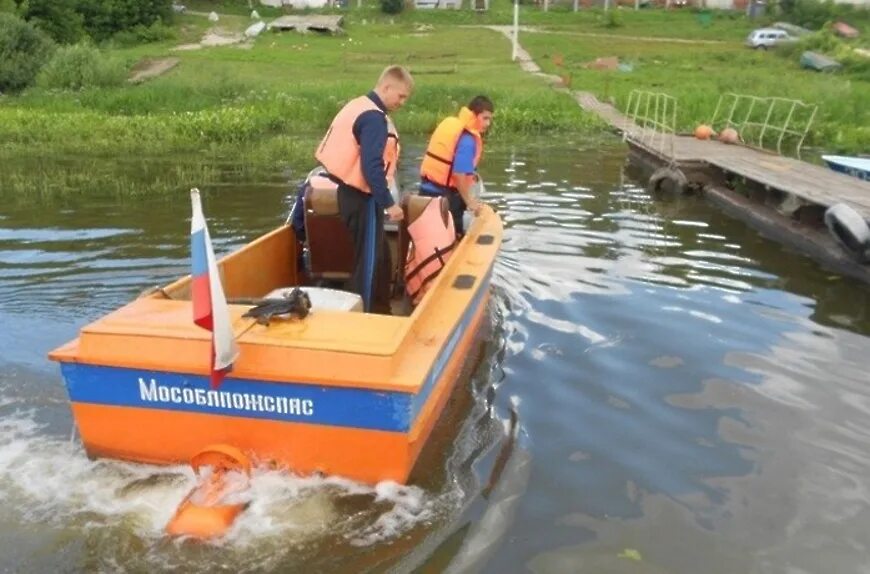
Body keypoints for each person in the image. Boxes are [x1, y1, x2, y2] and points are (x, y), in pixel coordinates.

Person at [314, 65, 413, 314]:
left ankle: (379, 308)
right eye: (401, 96)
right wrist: (388, 203)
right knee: (368, 264)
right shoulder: (373, 118)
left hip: (352, 195)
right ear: (386, 87)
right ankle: (363, 316)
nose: (402, 102)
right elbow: (371, 166)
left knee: (378, 258)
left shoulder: (359, 105)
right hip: (363, 200)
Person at [419, 95, 494, 236]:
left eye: (490, 119)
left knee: (427, 237)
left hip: (425, 191)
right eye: (485, 118)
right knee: (451, 238)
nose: (488, 123)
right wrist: (470, 202)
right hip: (446, 199)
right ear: (474, 115)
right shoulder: (468, 140)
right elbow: (458, 175)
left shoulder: (451, 124)